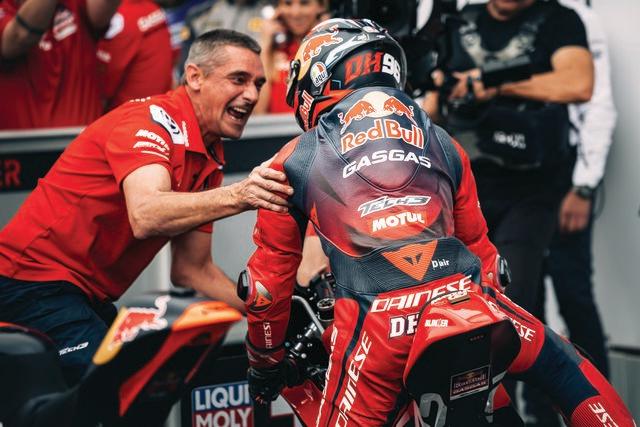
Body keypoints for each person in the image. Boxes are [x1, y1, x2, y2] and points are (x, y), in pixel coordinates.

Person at [239, 18, 634, 426]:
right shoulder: (443, 140)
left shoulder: (291, 160)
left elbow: (266, 289)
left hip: (375, 329)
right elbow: (485, 260)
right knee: (568, 368)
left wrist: (264, 361)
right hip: (466, 302)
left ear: (317, 77)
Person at [0, 29, 292, 385]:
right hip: (30, 281)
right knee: (109, 393)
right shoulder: (152, 119)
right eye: (238, 79)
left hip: (79, 295)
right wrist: (240, 195)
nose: (252, 95)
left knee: (141, 387)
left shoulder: (209, 154)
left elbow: (193, 270)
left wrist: (275, 315)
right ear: (194, 77)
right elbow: (146, 214)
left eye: (258, 84)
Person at [422, 0, 593, 316]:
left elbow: (578, 84)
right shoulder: (460, 21)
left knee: (513, 294)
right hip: (468, 185)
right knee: (461, 294)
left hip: (531, 186)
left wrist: (494, 84)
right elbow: (434, 103)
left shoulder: (559, 19)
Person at [526, 0, 617, 424]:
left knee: (573, 293)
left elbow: (597, 105)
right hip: (514, 182)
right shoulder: (482, 15)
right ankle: (538, 414)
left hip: (565, 178)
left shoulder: (574, 17)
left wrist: (583, 186)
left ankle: (604, 410)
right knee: (524, 302)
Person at [0, 0, 119, 128]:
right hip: (22, 140)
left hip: (84, 137)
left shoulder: (72, 4)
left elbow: (103, 8)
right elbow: (20, 36)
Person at [253, 0, 327, 114]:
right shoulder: (271, 50)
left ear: (321, 6)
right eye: (288, 3)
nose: (295, 13)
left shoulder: (332, 48)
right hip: (274, 125)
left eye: (304, 3)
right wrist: (265, 45)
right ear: (278, 9)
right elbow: (258, 112)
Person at [97, 0, 173, 110]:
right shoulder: (152, 8)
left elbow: (99, 93)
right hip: (161, 109)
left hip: (130, 114)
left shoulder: (119, 20)